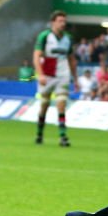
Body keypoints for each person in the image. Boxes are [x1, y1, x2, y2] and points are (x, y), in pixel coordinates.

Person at [33, 10, 77, 146]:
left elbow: (71, 59)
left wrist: (75, 78)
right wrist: (39, 74)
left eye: (64, 21)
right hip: (47, 74)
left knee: (61, 104)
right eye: (60, 21)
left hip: (63, 74)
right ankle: (39, 133)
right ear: (53, 22)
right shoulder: (45, 36)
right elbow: (36, 56)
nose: (63, 24)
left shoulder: (68, 38)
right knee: (44, 105)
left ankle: (63, 136)